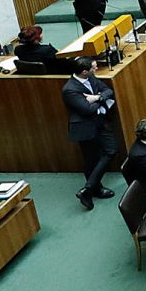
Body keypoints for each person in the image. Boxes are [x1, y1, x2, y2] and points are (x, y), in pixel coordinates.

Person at [63, 57, 120, 210]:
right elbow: (86, 109)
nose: (96, 70)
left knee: (111, 150)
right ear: (84, 72)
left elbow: (108, 90)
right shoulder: (70, 89)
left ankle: (87, 189)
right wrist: (100, 99)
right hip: (84, 127)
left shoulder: (91, 77)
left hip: (100, 121)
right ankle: (95, 189)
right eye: (94, 68)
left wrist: (96, 97)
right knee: (91, 159)